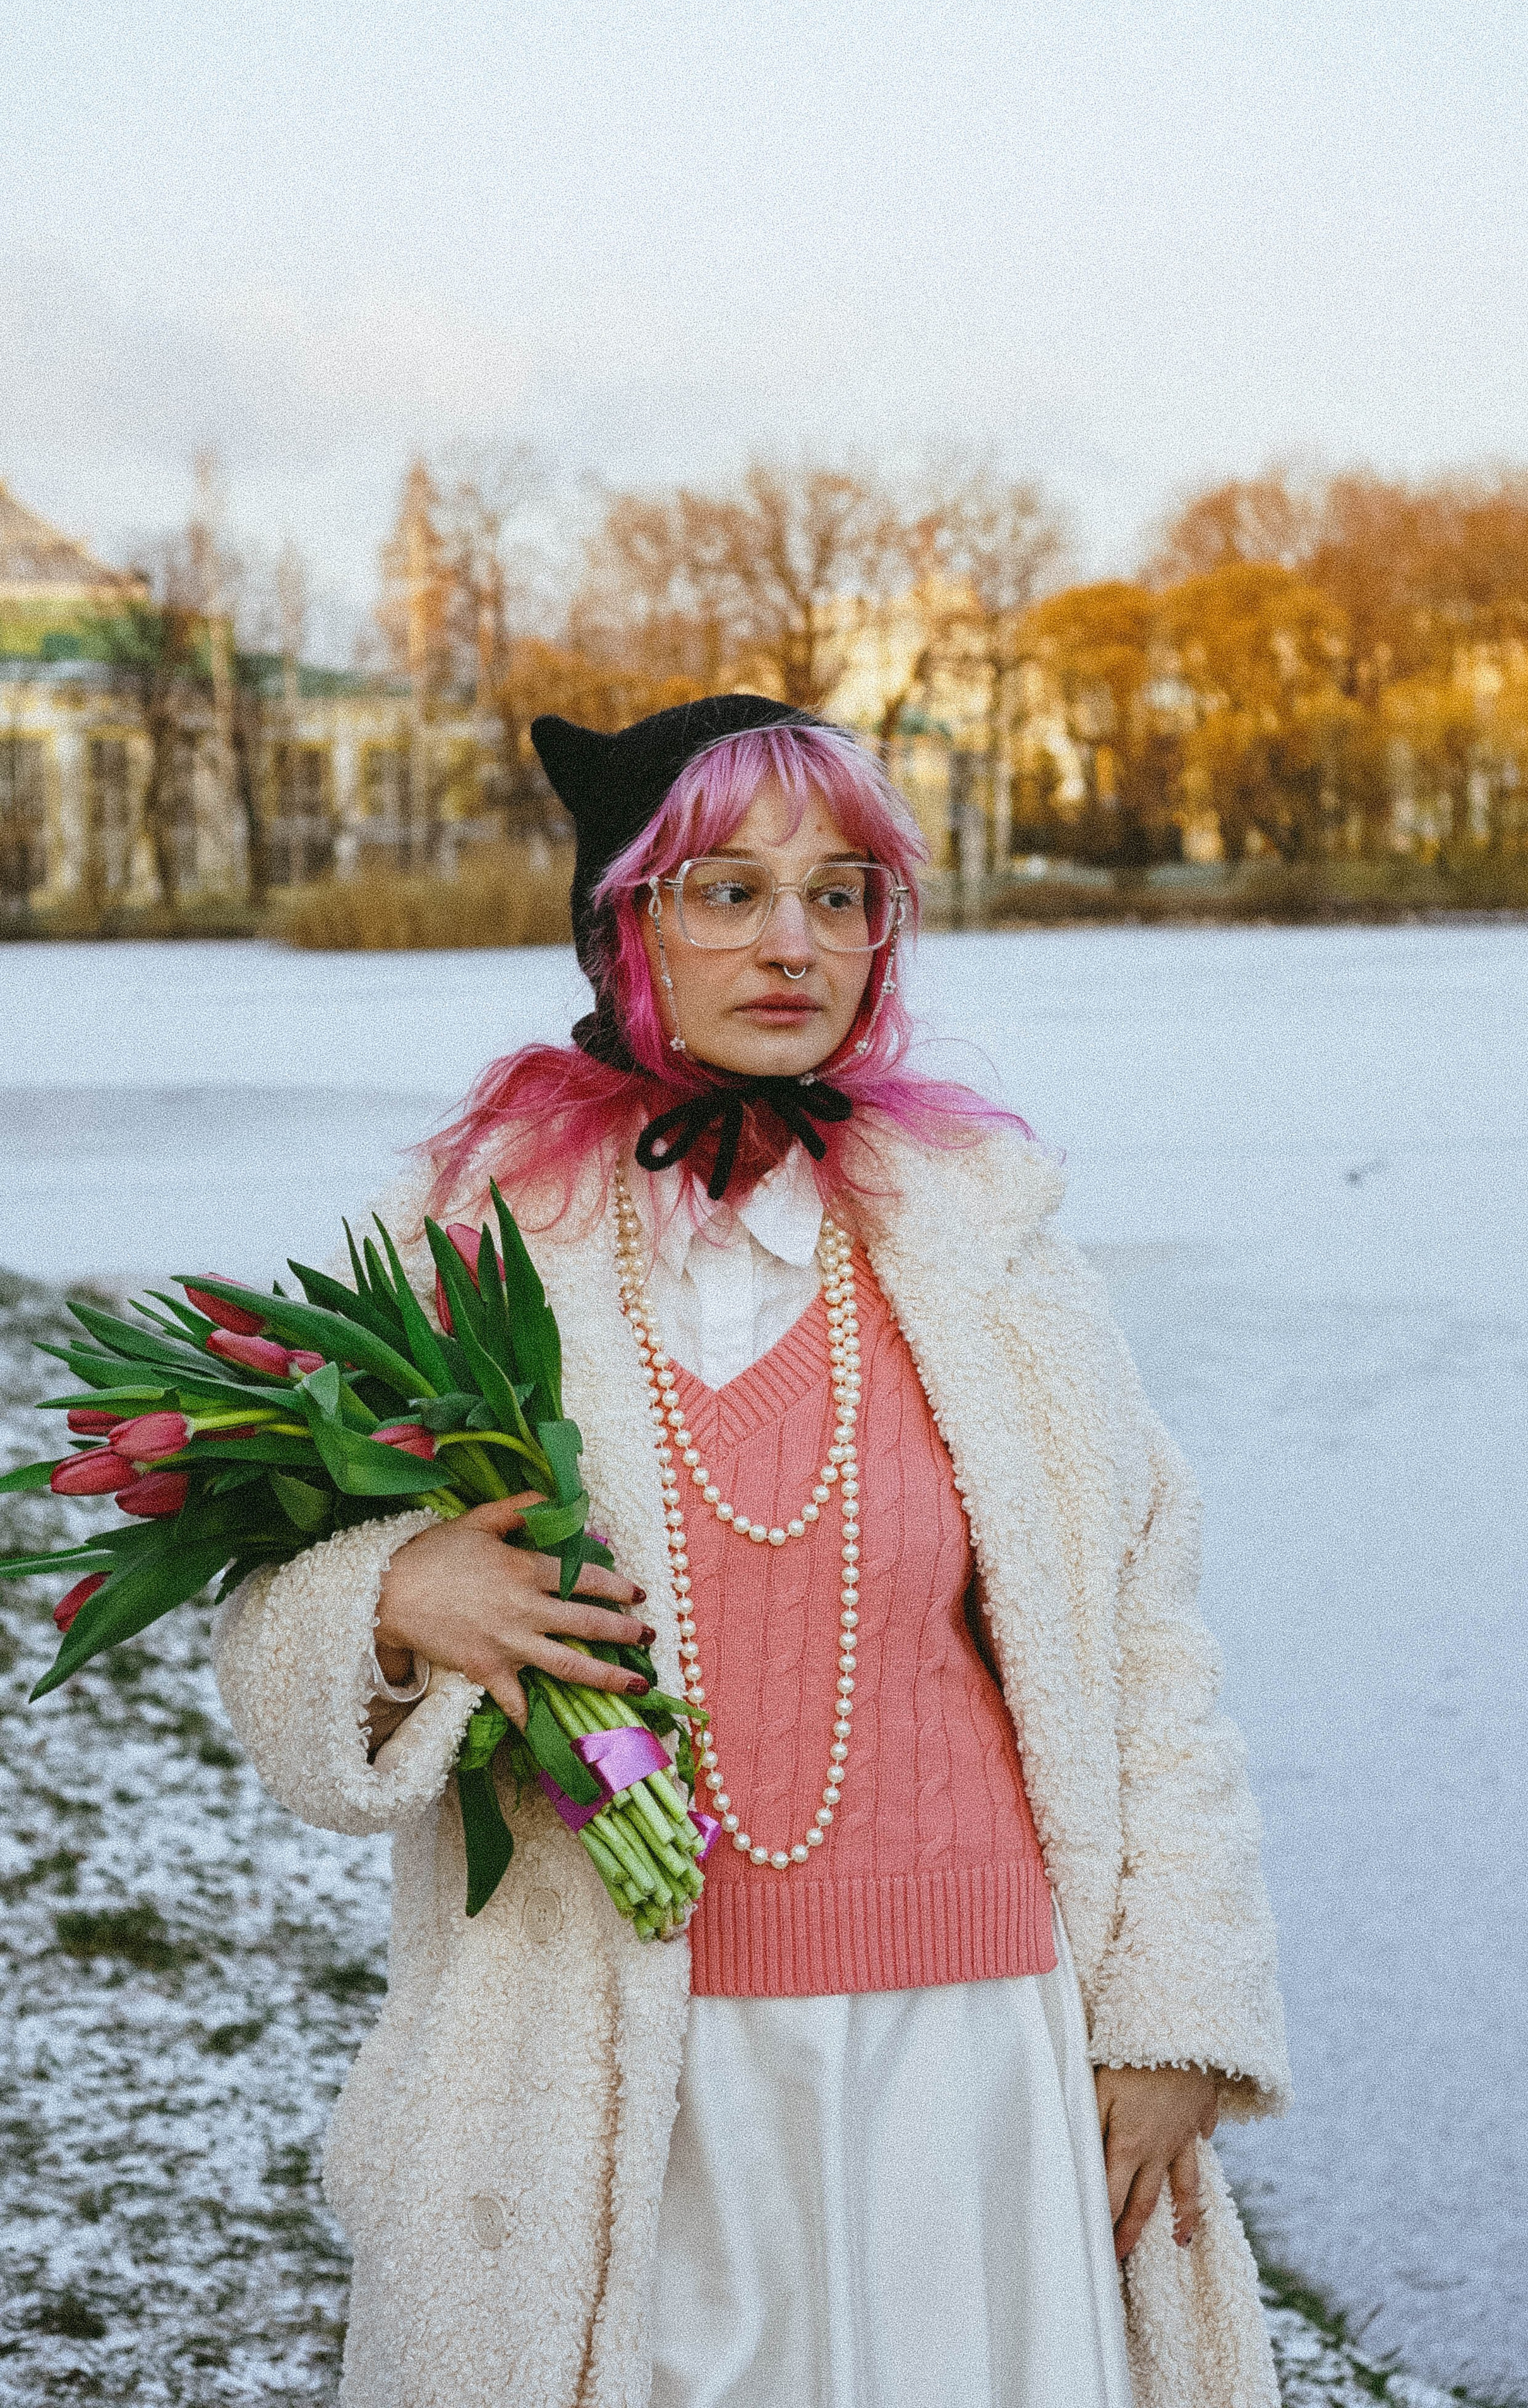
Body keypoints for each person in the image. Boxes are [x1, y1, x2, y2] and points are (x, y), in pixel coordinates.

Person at [214, 697, 1289, 2408]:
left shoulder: (988, 1252)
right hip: (614, 2059)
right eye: (727, 891)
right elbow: (276, 1625)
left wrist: (1177, 2022)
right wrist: (398, 1600)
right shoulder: (475, 1248)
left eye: (840, 893)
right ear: (622, 925)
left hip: (972, 2048)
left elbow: (1150, 1648)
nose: (794, 942)